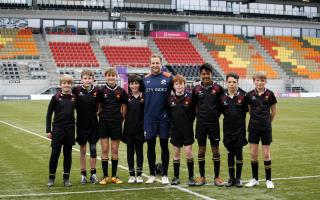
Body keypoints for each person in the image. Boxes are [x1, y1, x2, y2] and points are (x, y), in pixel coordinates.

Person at [192, 63, 224, 186]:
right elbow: (194, 106)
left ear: (211, 74)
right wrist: (199, 116)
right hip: (201, 124)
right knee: (201, 150)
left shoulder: (218, 89)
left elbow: (222, 105)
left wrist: (216, 115)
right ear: (200, 75)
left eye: (208, 74)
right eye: (203, 74)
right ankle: (202, 177)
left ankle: (217, 177)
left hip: (214, 124)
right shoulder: (196, 89)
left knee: (215, 150)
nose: (206, 76)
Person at [143, 54, 173, 184]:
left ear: (161, 64)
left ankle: (165, 174)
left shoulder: (168, 78)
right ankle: (152, 174)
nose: (155, 65)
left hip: (164, 119)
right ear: (149, 64)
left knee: (164, 146)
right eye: (153, 63)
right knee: (150, 147)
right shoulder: (145, 79)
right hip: (149, 118)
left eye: (157, 63)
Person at [245, 71, 277, 189]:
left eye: (262, 80)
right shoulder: (249, 95)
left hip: (265, 128)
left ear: (265, 82)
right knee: (253, 154)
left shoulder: (270, 94)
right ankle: (255, 179)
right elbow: (249, 110)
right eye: (257, 80)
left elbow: (273, 111)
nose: (260, 82)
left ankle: (269, 180)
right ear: (254, 81)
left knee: (266, 154)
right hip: (253, 127)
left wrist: (267, 123)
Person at [98, 68, 128, 185]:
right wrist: (99, 113)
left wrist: (122, 117)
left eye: (113, 75)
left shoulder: (121, 91)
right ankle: (105, 176)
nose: (111, 78)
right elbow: (99, 105)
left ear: (116, 77)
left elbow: (124, 105)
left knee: (114, 150)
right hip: (104, 123)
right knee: (105, 149)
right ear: (105, 77)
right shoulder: (101, 90)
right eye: (109, 76)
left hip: (116, 123)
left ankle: (114, 176)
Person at [46, 74, 75, 187]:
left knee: (68, 154)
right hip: (58, 129)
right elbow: (49, 114)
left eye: (68, 83)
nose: (66, 85)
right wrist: (48, 130)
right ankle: (51, 178)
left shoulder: (74, 97)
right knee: (55, 154)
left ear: (71, 85)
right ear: (61, 84)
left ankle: (66, 178)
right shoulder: (56, 97)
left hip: (70, 129)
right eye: (64, 83)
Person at [220, 72, 248, 187]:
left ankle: (238, 179)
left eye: (234, 82)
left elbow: (249, 111)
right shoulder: (222, 97)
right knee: (230, 154)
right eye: (230, 82)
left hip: (240, 131)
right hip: (227, 131)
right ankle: (231, 179)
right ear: (226, 83)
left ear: (237, 83)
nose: (232, 84)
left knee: (239, 154)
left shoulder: (244, 96)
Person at [72, 70, 99, 184]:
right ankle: (83, 174)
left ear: (93, 79)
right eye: (85, 78)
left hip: (93, 125)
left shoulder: (97, 91)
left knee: (93, 150)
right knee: (83, 151)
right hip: (81, 126)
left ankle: (93, 174)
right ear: (81, 79)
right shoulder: (76, 90)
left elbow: (101, 104)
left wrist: (98, 112)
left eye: (89, 78)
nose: (87, 80)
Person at [168, 75, 196, 186]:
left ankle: (191, 177)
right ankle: (176, 177)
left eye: (181, 83)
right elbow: (169, 114)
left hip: (187, 130)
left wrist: (188, 124)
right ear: (174, 86)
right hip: (175, 131)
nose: (179, 86)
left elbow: (193, 114)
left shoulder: (190, 97)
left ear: (184, 85)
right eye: (176, 84)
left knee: (188, 153)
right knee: (176, 153)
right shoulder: (170, 99)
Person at [122, 74, 145, 184]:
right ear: (129, 85)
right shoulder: (126, 97)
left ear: (139, 84)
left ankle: (139, 175)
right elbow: (123, 112)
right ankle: (131, 175)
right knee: (130, 152)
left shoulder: (144, 96)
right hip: (129, 128)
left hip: (140, 128)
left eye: (136, 83)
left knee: (139, 152)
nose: (134, 85)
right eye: (132, 83)